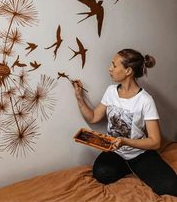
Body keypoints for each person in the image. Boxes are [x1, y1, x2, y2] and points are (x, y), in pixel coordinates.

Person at [73, 48, 177, 196]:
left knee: (171, 187)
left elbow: (155, 142)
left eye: (114, 65)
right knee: (101, 174)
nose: (110, 68)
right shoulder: (110, 91)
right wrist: (79, 98)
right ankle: (129, 166)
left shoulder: (145, 100)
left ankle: (137, 165)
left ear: (128, 71)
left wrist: (124, 141)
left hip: (140, 153)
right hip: (115, 151)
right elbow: (94, 117)